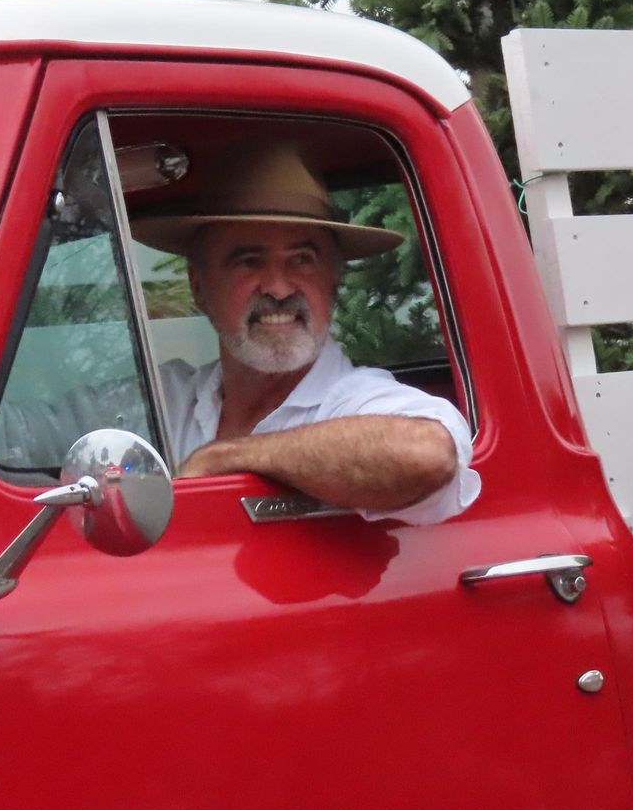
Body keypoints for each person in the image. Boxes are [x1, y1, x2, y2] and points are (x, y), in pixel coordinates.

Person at [131, 143, 480, 525]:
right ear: (199, 288)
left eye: (303, 261)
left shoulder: (355, 400)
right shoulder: (164, 399)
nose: (279, 288)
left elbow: (426, 455)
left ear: (333, 280)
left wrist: (221, 458)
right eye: (249, 262)